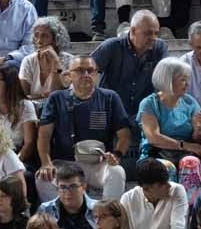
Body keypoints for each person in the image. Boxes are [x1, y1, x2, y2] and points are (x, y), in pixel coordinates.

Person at [37, 57, 132, 203]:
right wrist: (46, 163)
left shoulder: (110, 97)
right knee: (43, 178)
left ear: (96, 74)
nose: (86, 74)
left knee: (117, 172)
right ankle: (58, 218)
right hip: (65, 163)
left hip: (98, 164)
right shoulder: (56, 98)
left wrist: (117, 155)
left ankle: (108, 216)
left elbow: (124, 135)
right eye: (80, 70)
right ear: (69, 75)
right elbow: (44, 135)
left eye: (91, 70)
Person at [92, 9, 169, 141]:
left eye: (156, 33)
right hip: (111, 110)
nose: (153, 38)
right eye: (148, 33)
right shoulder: (111, 46)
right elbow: (87, 71)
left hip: (143, 112)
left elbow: (165, 80)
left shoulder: (159, 47)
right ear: (133, 31)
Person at [139, 56, 201, 166]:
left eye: (188, 79)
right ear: (168, 80)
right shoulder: (149, 104)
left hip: (186, 154)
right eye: (183, 80)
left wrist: (199, 129)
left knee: (191, 163)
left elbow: (198, 139)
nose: (187, 84)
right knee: (167, 166)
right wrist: (185, 146)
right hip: (156, 154)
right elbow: (153, 138)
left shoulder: (190, 101)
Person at [120, 159, 188, 229]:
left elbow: (178, 227)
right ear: (146, 188)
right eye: (162, 184)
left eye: (167, 181)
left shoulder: (177, 190)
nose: (168, 185)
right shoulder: (128, 199)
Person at [0, 63, 39, 170]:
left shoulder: (25, 106)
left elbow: (29, 144)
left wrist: (12, 164)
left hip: (16, 157)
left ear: (10, 83)